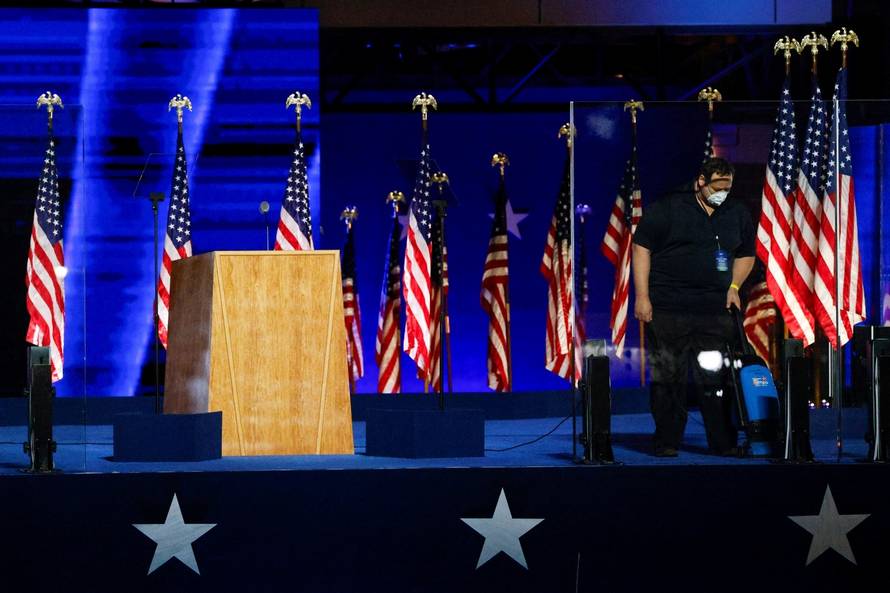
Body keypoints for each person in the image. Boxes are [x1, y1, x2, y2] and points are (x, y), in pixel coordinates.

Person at [632, 157, 755, 457]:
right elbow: (641, 247)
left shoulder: (737, 212)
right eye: (717, 186)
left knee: (716, 380)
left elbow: (746, 254)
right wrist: (642, 296)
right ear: (701, 181)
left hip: (715, 312)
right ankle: (667, 441)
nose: (723, 193)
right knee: (668, 376)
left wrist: (734, 287)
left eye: (728, 187)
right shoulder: (668, 208)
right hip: (669, 309)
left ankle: (722, 441)